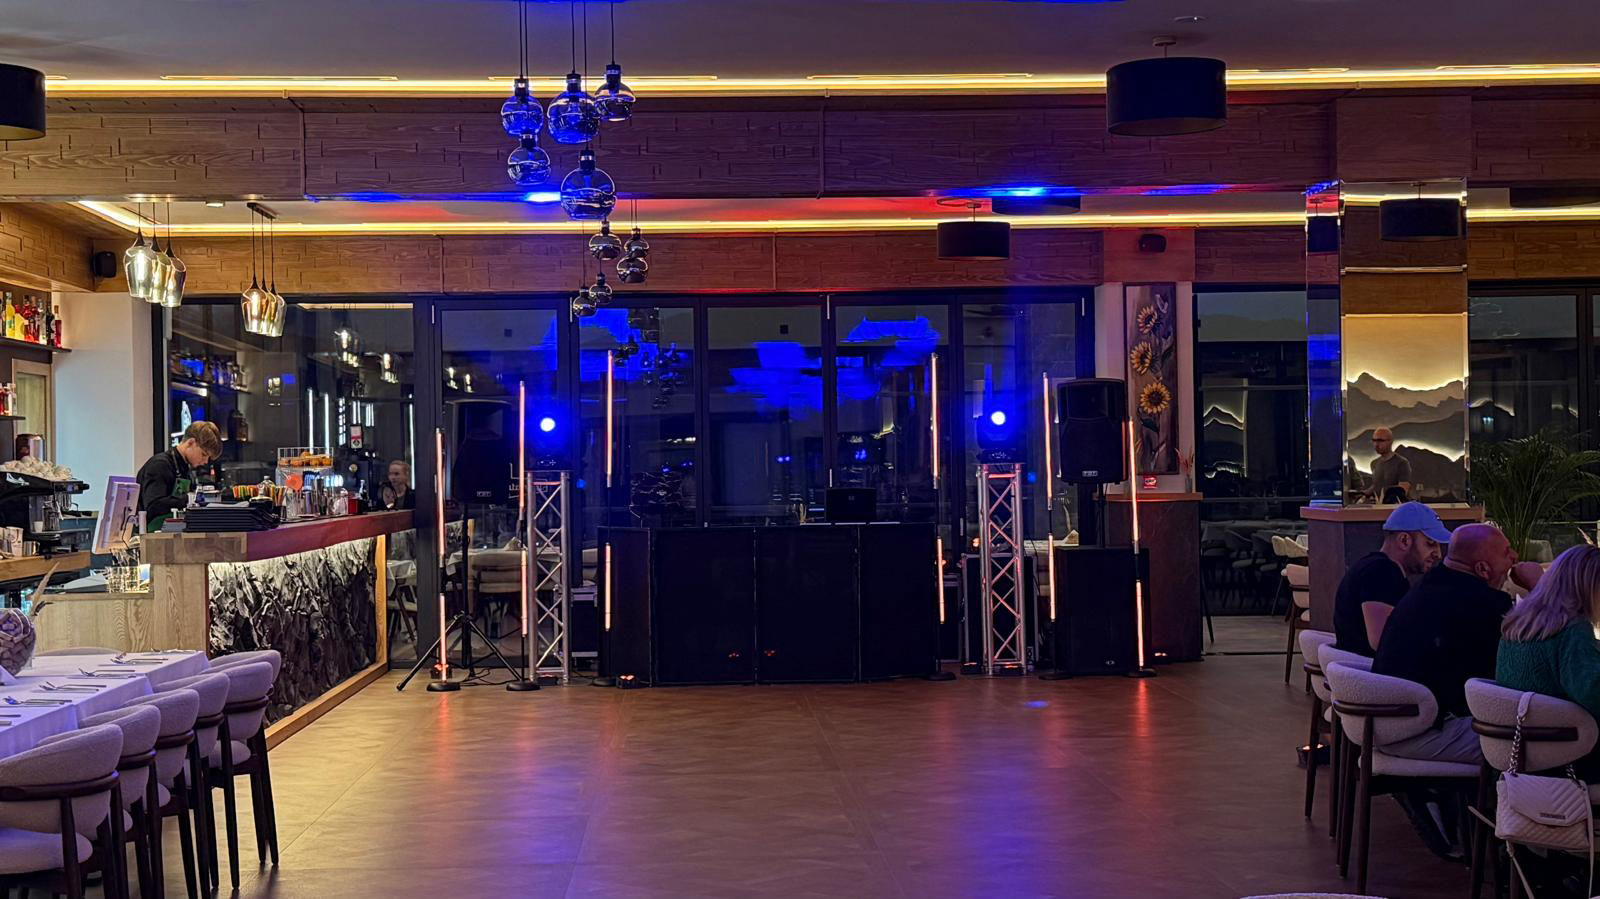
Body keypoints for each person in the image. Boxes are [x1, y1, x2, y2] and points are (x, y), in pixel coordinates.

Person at [1373, 523, 1545, 764]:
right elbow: (1523, 668)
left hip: (1388, 723)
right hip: (1424, 731)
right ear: (1483, 569)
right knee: (1550, 744)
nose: (1515, 557)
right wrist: (1541, 588)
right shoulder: (1483, 603)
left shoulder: (1428, 585)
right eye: (1507, 552)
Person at [1496, 545, 1600, 778]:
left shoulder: (1516, 626)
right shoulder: (1573, 630)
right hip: (1567, 759)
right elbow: (1594, 696)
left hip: (1522, 751)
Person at [1332, 502, 1448, 656]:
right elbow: (1382, 641)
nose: (1438, 554)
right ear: (1404, 540)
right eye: (1431, 544)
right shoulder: (1380, 573)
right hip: (1373, 676)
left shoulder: (1378, 568)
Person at [136, 421, 222, 528]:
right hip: (150, 534)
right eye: (203, 454)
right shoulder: (160, 465)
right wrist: (191, 499)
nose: (205, 462)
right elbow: (154, 506)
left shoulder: (186, 468)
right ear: (191, 443)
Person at [1368, 427, 1412, 503]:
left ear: (1390, 441)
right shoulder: (1374, 463)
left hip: (1396, 507)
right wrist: (1363, 493)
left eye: (1380, 441)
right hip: (1379, 506)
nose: (1376, 444)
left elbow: (1403, 489)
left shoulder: (1402, 463)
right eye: (1374, 440)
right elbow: (1376, 486)